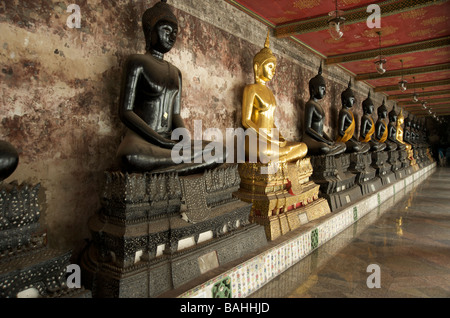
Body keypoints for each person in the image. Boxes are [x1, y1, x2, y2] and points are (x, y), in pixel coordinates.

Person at [116, 0, 225, 175]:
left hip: (169, 142)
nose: (172, 36)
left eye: (175, 32)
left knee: (220, 150)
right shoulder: (137, 62)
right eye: (166, 30)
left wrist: (184, 139)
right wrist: (161, 141)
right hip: (142, 141)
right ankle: (180, 169)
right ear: (150, 31)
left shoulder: (176, 72)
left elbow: (175, 114)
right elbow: (125, 112)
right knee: (130, 157)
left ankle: (163, 172)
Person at [241, 31, 308, 164]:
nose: (273, 71)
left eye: (274, 67)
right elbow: (246, 121)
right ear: (257, 67)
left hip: (272, 140)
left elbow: (270, 121)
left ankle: (277, 161)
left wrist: (279, 136)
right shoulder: (251, 89)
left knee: (303, 147)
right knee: (265, 151)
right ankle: (280, 160)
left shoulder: (270, 92)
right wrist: (266, 137)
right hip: (256, 141)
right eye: (270, 66)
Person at [302, 63, 346, 156]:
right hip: (310, 139)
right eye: (322, 88)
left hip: (320, 139)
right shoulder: (310, 104)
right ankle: (329, 152)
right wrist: (324, 141)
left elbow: (320, 130)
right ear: (313, 89)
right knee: (324, 147)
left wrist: (329, 140)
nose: (324, 92)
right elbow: (308, 129)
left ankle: (329, 152)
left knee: (342, 145)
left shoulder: (319, 106)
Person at [336, 79, 370, 153]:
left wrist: (356, 140)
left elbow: (350, 135)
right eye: (352, 99)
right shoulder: (343, 112)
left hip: (349, 139)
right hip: (343, 140)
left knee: (365, 146)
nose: (353, 101)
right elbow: (340, 132)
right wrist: (353, 141)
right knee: (355, 146)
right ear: (345, 100)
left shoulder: (349, 113)